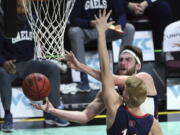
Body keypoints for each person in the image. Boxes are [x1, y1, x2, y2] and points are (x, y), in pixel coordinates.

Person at [33, 10, 163, 134]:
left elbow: (109, 76)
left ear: (138, 66)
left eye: (128, 60)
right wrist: (52, 110)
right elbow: (84, 116)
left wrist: (82, 66)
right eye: (121, 59)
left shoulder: (144, 79)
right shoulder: (111, 93)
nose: (123, 62)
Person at [0, 0, 69, 132]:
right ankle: (8, 115)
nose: (25, 9)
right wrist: (3, 62)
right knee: (2, 74)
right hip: (11, 66)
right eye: (21, 6)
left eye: (27, 6)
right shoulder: (3, 24)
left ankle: (52, 112)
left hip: (29, 63)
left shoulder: (33, 20)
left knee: (51, 67)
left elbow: (41, 41)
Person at [68, 0, 135, 92]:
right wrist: (91, 23)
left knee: (129, 28)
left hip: (108, 29)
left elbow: (121, 14)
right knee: (74, 31)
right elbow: (73, 19)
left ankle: (122, 71)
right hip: (89, 30)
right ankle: (83, 76)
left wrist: (120, 24)